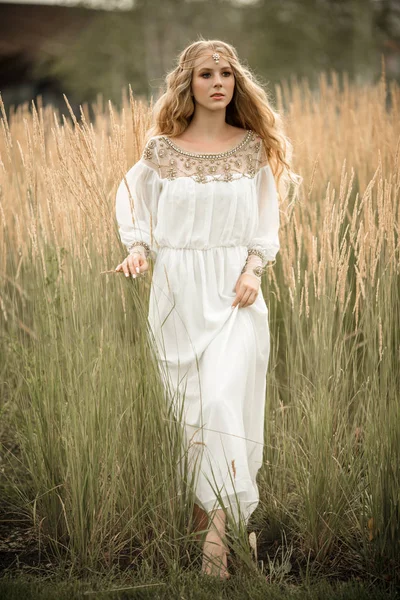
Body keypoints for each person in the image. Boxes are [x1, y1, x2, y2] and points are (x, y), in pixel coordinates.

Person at [115, 39, 299, 580]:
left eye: (226, 73)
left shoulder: (251, 149)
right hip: (176, 295)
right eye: (205, 74)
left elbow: (266, 223)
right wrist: (137, 248)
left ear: (236, 82)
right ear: (187, 84)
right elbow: (130, 197)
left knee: (222, 404)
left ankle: (213, 555)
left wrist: (252, 270)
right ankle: (223, 526)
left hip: (234, 295)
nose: (217, 82)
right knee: (193, 421)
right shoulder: (162, 151)